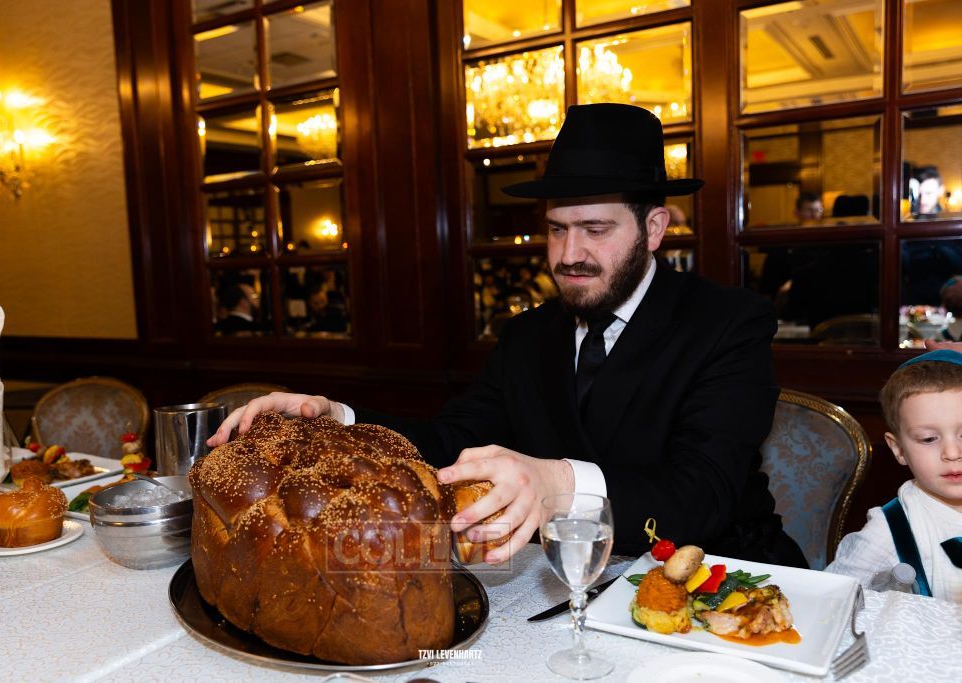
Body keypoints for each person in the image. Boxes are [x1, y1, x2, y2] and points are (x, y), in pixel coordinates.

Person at [208, 103, 806, 567]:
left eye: (595, 229)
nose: (569, 254)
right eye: (556, 230)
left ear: (654, 229)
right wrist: (336, 419)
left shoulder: (728, 323)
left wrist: (557, 483)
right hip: (564, 578)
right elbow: (451, 441)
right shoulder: (527, 335)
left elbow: (703, 493)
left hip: (722, 579)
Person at [826, 350, 962, 601]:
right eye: (928, 439)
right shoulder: (891, 530)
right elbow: (832, 600)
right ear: (899, 449)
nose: (952, 453)